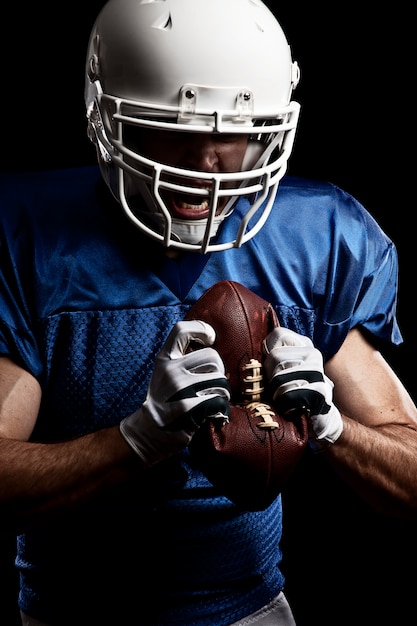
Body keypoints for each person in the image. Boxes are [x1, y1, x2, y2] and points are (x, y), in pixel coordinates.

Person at [0, 0, 416, 624]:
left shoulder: (317, 237)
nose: (205, 166)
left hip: (252, 611)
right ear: (105, 112)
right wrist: (135, 442)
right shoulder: (29, 234)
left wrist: (332, 426)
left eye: (235, 134)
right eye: (172, 129)